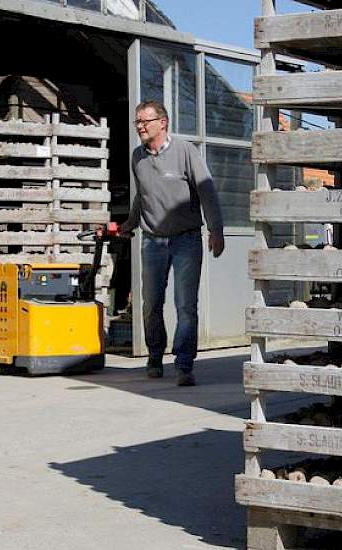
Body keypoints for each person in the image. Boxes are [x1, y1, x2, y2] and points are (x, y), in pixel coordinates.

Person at [118, 100, 224, 386]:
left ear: (162, 123)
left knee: (185, 304)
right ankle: (154, 356)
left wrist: (216, 230)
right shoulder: (137, 157)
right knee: (151, 302)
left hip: (186, 240)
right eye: (137, 122)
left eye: (145, 121)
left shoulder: (186, 151)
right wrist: (129, 223)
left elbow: (207, 192)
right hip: (152, 241)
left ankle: (184, 364)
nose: (139, 126)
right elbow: (143, 196)